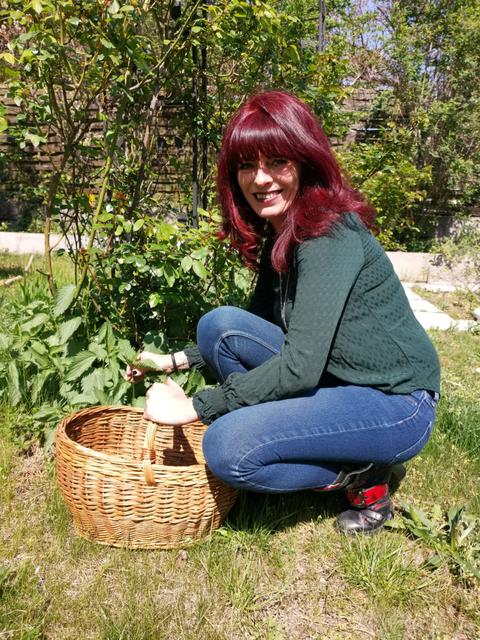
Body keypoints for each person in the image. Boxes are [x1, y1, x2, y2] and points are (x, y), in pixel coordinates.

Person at [126, 90, 440, 535]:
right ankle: (314, 439)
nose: (261, 179)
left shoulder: (328, 236)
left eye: (277, 162)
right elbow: (266, 329)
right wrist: (176, 361)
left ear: (305, 161)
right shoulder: (283, 231)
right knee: (218, 327)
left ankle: (361, 477)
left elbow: (298, 368)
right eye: (247, 165)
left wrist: (197, 406)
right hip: (338, 376)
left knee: (227, 446)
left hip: (397, 403)